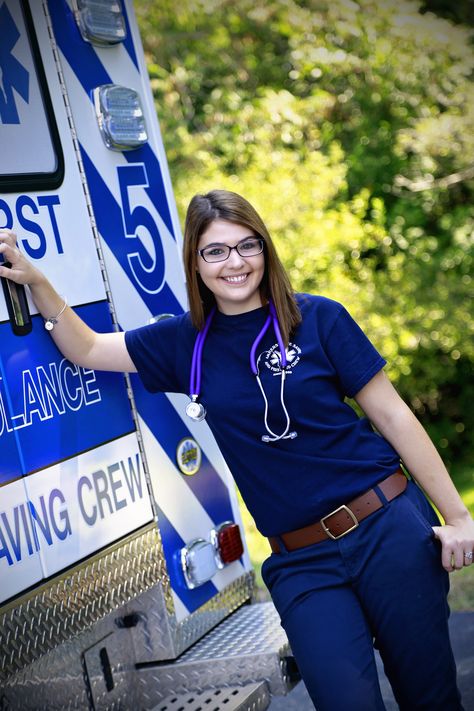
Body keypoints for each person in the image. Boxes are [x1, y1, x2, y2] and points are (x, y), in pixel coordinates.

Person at [0, 189, 473, 711]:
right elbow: (87, 348)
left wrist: (458, 516)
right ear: (196, 263)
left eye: (246, 246)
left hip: (387, 529)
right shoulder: (186, 343)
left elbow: (393, 416)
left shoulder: (318, 320)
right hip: (303, 561)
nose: (234, 262)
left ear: (265, 250)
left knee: (432, 699)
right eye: (215, 251)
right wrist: (37, 281)